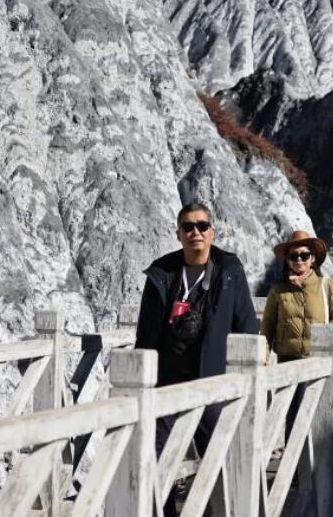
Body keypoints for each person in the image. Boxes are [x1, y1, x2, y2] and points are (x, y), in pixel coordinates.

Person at [135, 203, 258, 516]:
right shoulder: (162, 273)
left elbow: (245, 321)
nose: (196, 233)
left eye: (202, 226)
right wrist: (139, 372)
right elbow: (146, 330)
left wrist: (252, 366)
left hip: (212, 381)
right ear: (178, 234)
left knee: (221, 460)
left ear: (212, 232)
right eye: (188, 227)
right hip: (166, 383)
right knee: (154, 459)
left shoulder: (228, 270)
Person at [260, 230, 333, 361]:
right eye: (293, 256)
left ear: (312, 259)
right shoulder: (278, 290)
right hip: (286, 361)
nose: (299, 260)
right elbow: (267, 327)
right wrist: (263, 358)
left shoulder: (328, 286)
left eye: (304, 255)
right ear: (287, 260)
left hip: (320, 359)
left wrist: (322, 337)